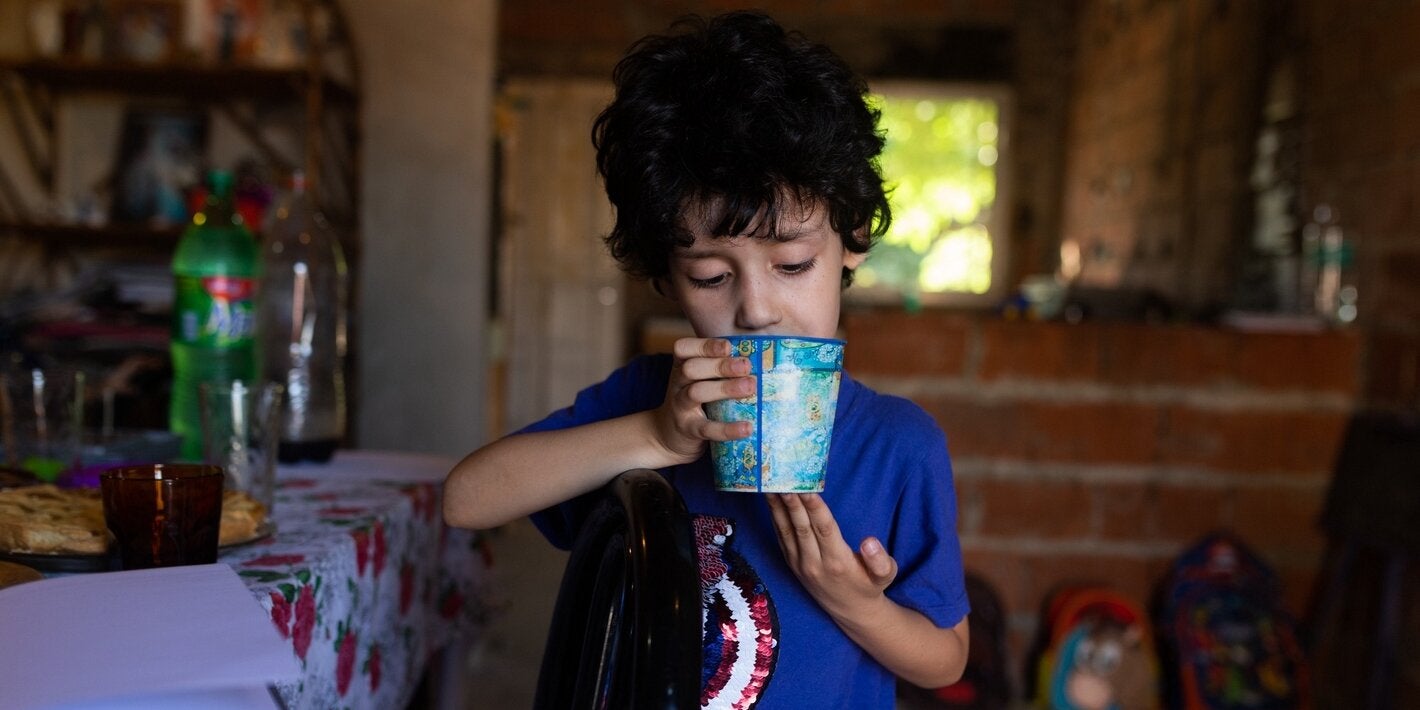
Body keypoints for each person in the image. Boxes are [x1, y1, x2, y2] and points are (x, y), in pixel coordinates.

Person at [443, 11, 969, 708]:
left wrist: (856, 603)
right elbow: (466, 500)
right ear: (664, 277)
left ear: (852, 238)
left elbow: (945, 661)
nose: (755, 309)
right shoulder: (644, 402)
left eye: (791, 263)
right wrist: (656, 436)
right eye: (711, 277)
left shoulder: (899, 444)